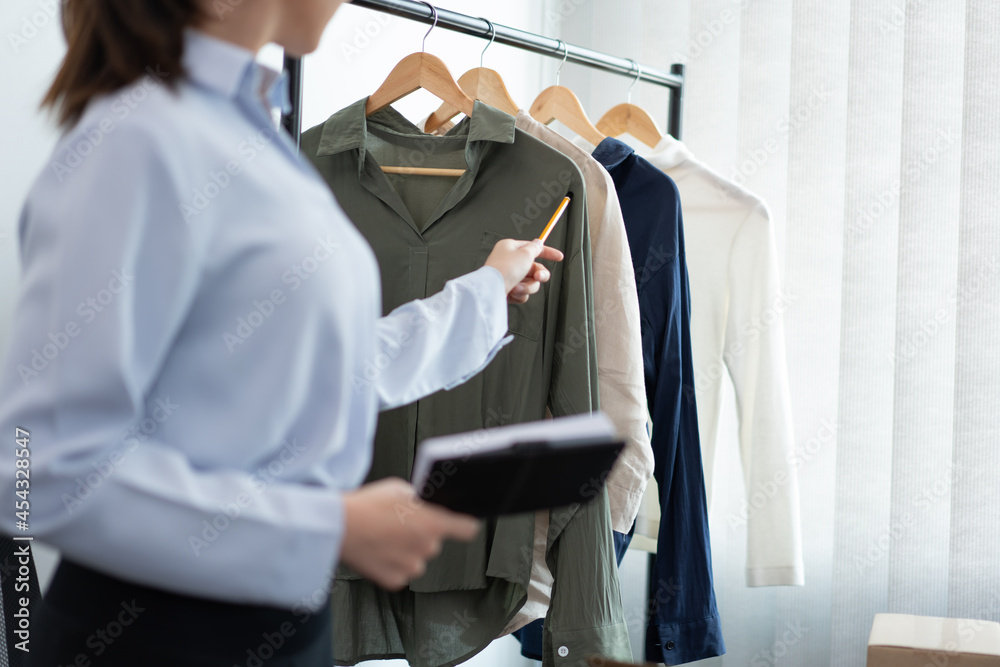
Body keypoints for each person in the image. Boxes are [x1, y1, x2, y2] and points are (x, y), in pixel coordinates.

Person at [0, 1, 564, 665]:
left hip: (272, 621)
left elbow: (324, 368)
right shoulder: (137, 141)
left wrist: (483, 293)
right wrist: (328, 526)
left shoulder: (248, 132)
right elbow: (40, 466)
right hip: (157, 635)